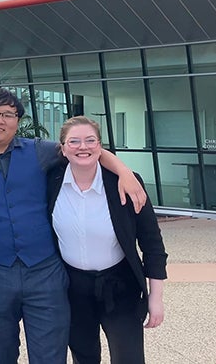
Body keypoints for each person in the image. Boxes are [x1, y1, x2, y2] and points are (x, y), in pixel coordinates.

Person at [0, 87, 148, 364]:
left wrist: (124, 171)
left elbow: (85, 148)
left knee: (50, 354)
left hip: (44, 271)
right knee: (1, 352)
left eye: (8, 114)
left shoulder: (40, 151)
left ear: (18, 121)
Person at [47, 116, 167, 364]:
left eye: (91, 140)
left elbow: (152, 243)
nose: (83, 147)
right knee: (85, 356)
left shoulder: (125, 183)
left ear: (101, 147)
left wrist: (155, 298)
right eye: (75, 141)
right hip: (72, 287)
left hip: (120, 286)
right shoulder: (50, 181)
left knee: (129, 358)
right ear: (63, 148)